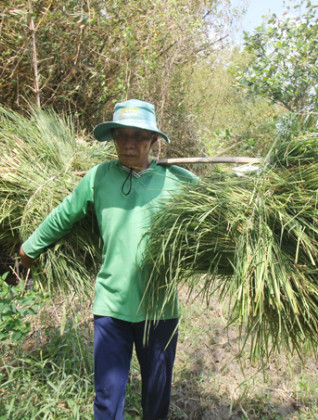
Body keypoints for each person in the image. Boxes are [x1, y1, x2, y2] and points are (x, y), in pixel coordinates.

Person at [19, 99, 196, 420]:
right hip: (111, 308)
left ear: (153, 141)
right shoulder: (99, 177)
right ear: (113, 139)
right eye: (121, 136)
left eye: (139, 136)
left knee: (156, 398)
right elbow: (64, 215)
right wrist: (31, 247)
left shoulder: (176, 181)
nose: (129, 143)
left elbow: (222, 210)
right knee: (107, 397)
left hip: (159, 308)